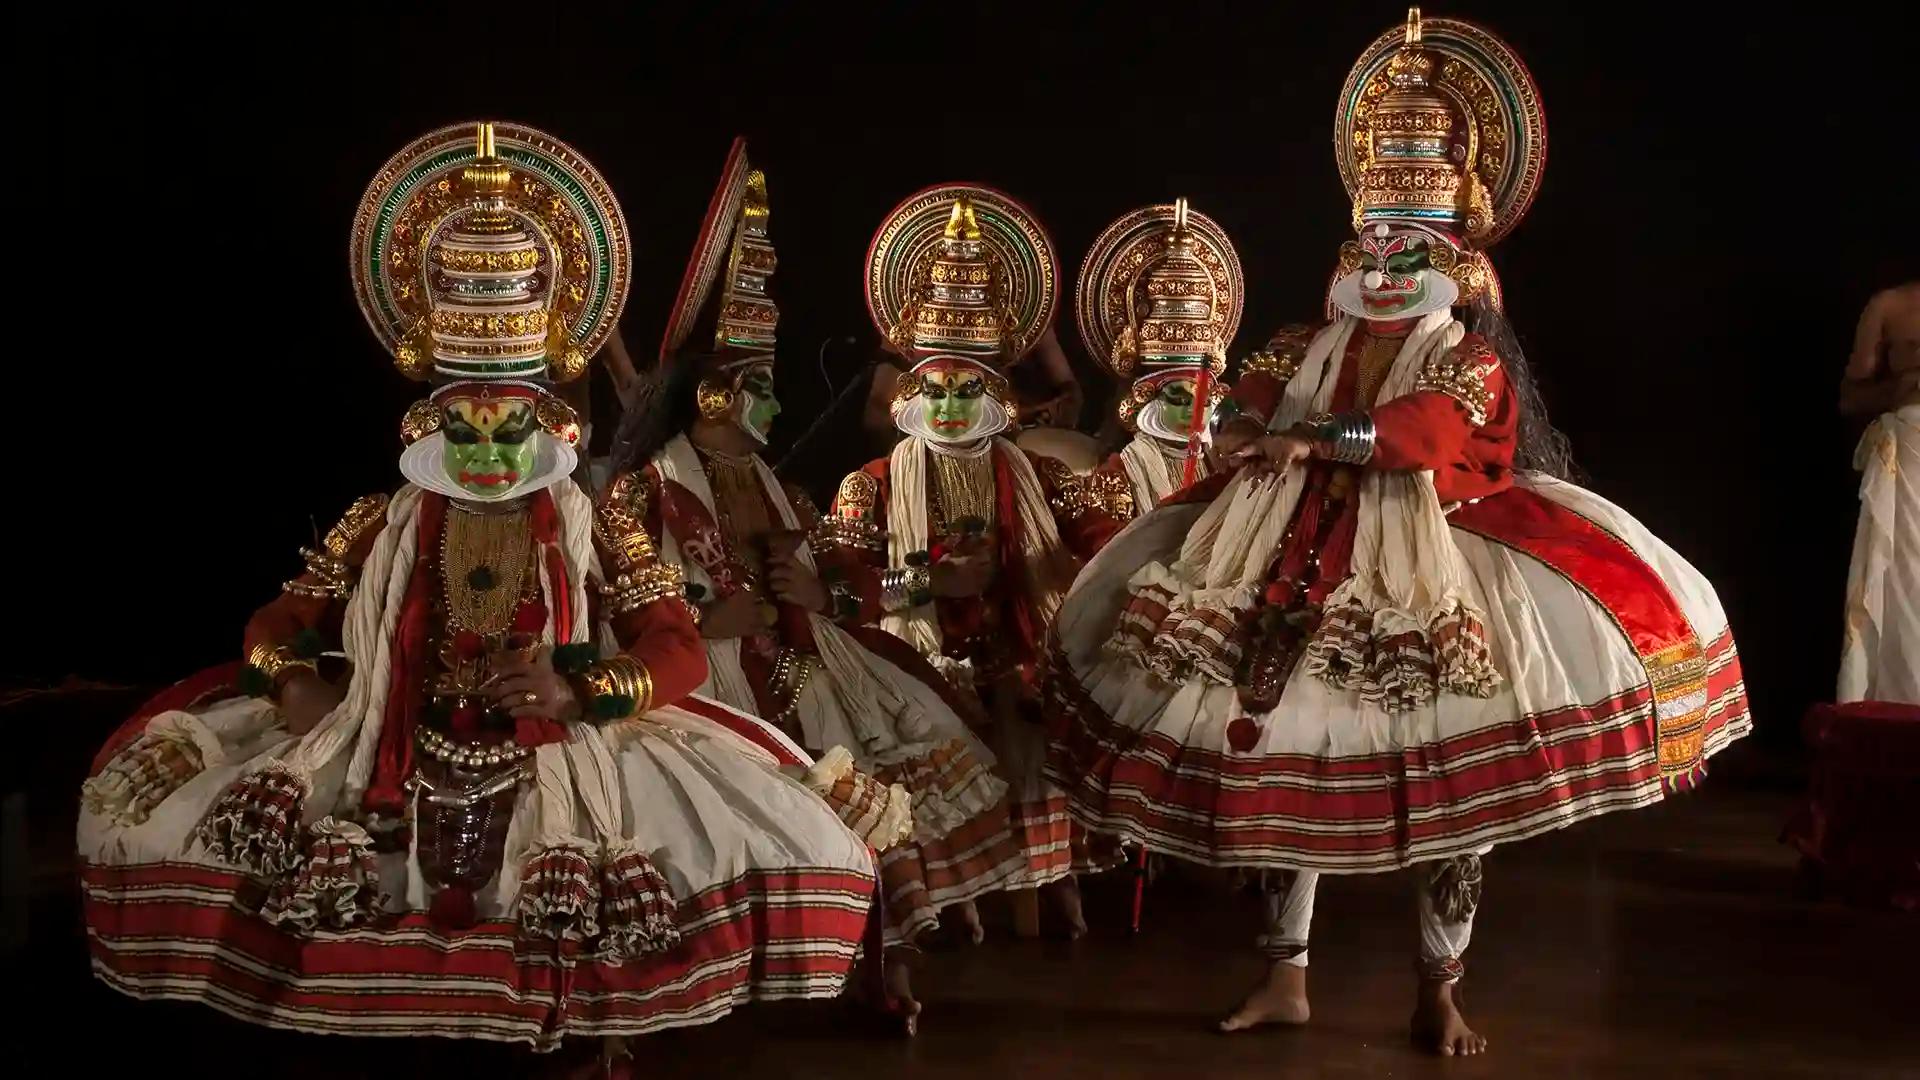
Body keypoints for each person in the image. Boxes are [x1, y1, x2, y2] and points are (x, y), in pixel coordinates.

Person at [78, 123, 890, 1067]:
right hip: (387, 743)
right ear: (432, 418)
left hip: (561, 751)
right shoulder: (384, 520)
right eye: (466, 426)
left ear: (545, 418)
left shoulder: (599, 525)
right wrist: (293, 681)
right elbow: (280, 620)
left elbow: (672, 646)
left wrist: (580, 689)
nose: (490, 454)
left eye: (511, 429)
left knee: (675, 865)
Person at [1043, 11, 1751, 1056]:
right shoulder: (1303, 338)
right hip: (1278, 556)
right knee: (1279, 758)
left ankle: (1438, 989)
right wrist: (1244, 426)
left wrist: (1312, 439)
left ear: (1453, 255)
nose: (1383, 260)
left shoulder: (1466, 354)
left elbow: (1429, 435)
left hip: (1433, 560)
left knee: (1452, 792)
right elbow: (1249, 398)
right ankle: (1284, 976)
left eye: (1408, 244)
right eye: (1370, 239)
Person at [603, 139, 1036, 1032]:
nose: (776, 406)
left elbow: (844, 582)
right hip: (707, 677)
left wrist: (818, 597)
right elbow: (617, 588)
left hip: (812, 664)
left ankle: (885, 969)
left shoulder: (787, 489)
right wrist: (701, 617)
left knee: (870, 796)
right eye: (760, 389)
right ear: (716, 397)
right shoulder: (648, 491)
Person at [825, 186, 1130, 938]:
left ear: (996, 392)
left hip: (1017, 652)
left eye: (969, 388)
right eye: (937, 388)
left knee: (1039, 704)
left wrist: (1069, 567)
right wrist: (927, 581)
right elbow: (841, 593)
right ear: (910, 392)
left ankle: (1055, 886)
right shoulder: (869, 486)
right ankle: (953, 899)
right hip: (915, 667)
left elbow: (1104, 542)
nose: (954, 404)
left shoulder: (1041, 475)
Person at [1075, 198, 1243, 516]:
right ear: (1145, 397)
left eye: (1203, 399)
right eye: (1178, 398)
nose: (1195, 413)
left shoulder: (1226, 466)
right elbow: (1105, 547)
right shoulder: (1118, 474)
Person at [1837, 282, 1920, 704]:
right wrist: (1899, 389)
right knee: (1908, 592)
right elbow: (1850, 397)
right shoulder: (1890, 306)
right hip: (1910, 467)